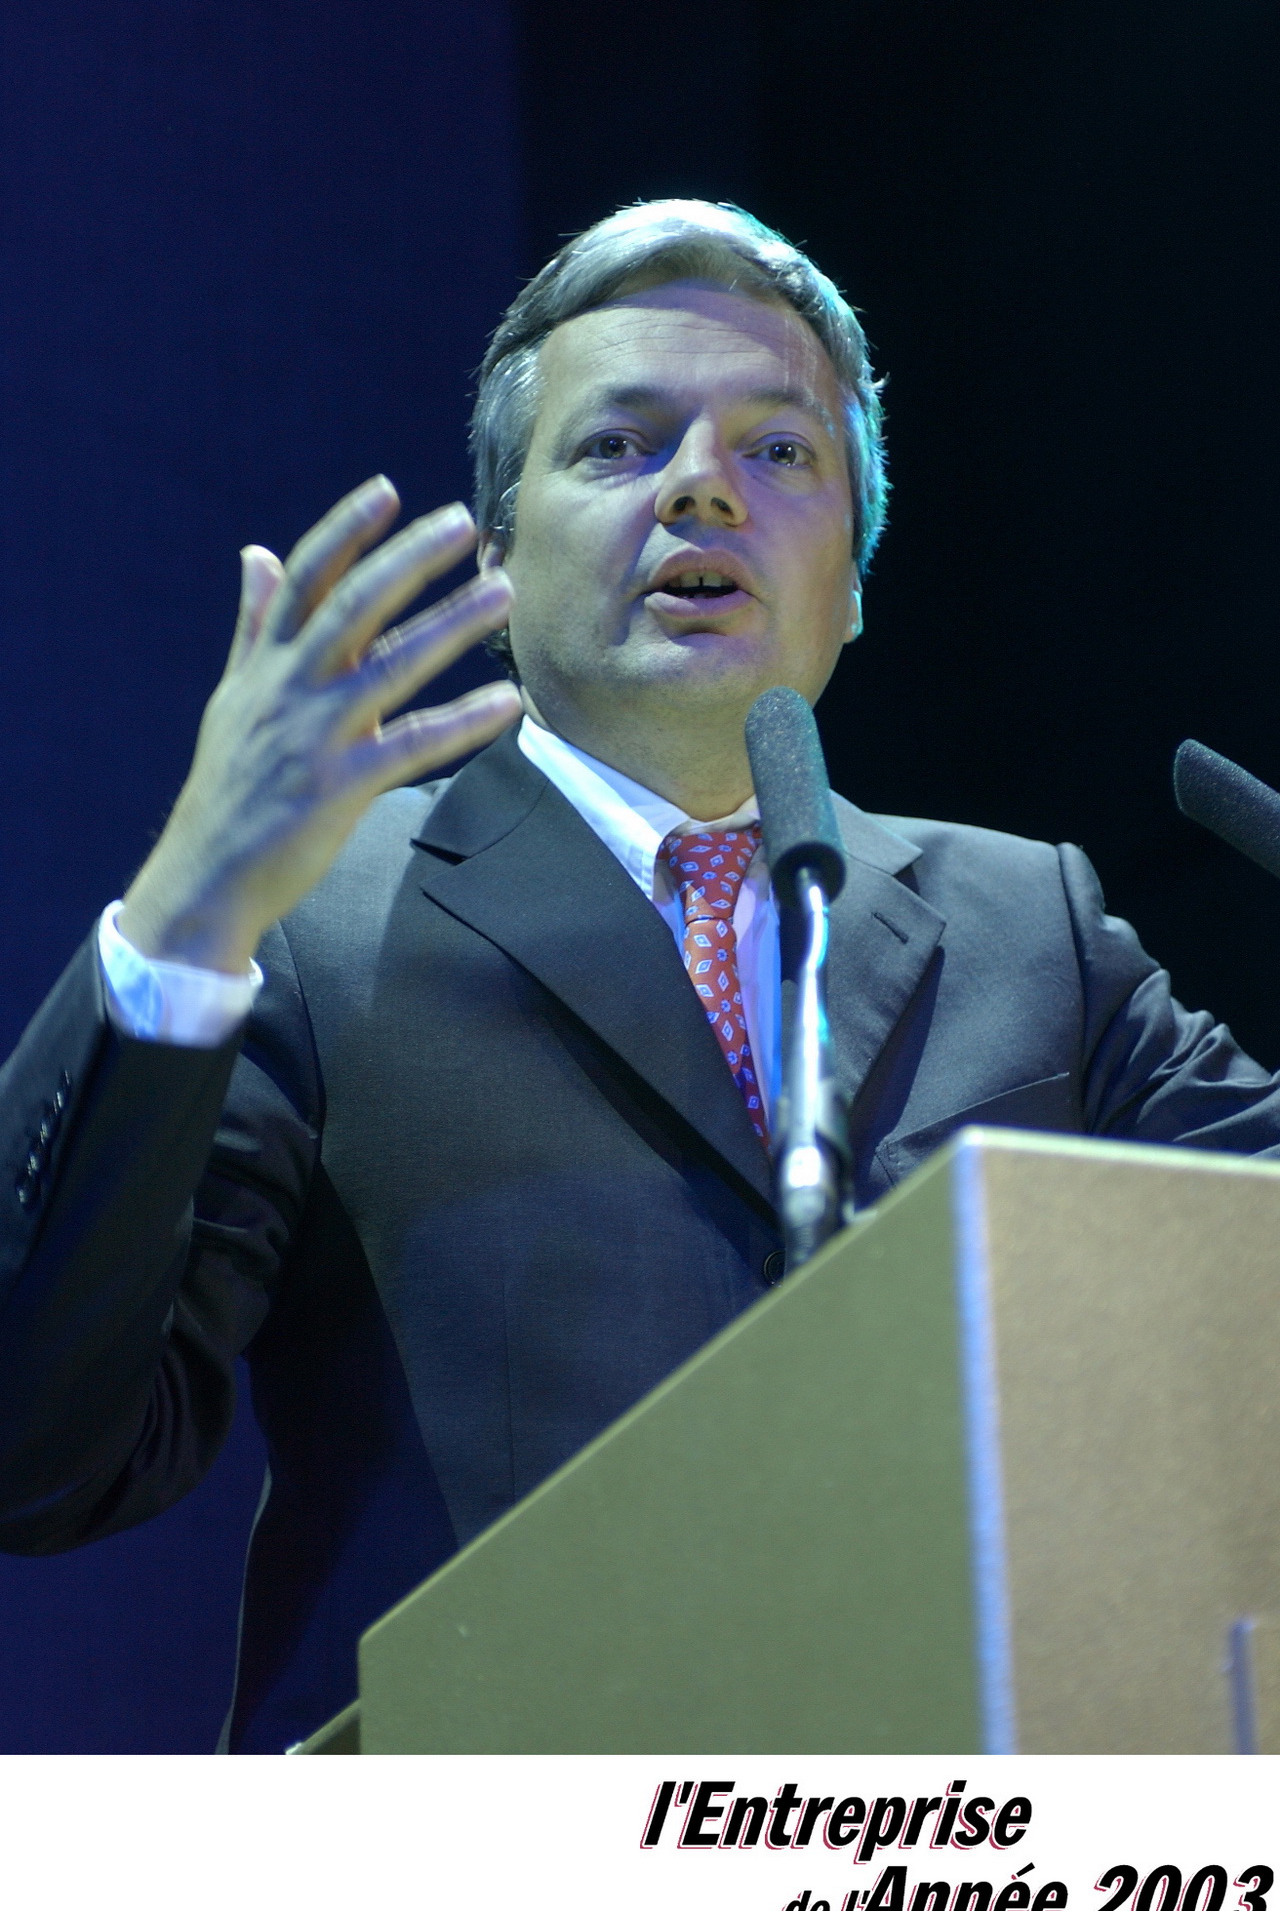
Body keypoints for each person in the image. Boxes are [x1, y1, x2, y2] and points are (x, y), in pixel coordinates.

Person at [2, 200, 1278, 1753]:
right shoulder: (317, 919)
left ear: (854, 580)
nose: (700, 488)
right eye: (618, 446)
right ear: (496, 554)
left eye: (779, 451)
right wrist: (183, 917)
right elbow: (41, 1452)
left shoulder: (1032, 927)